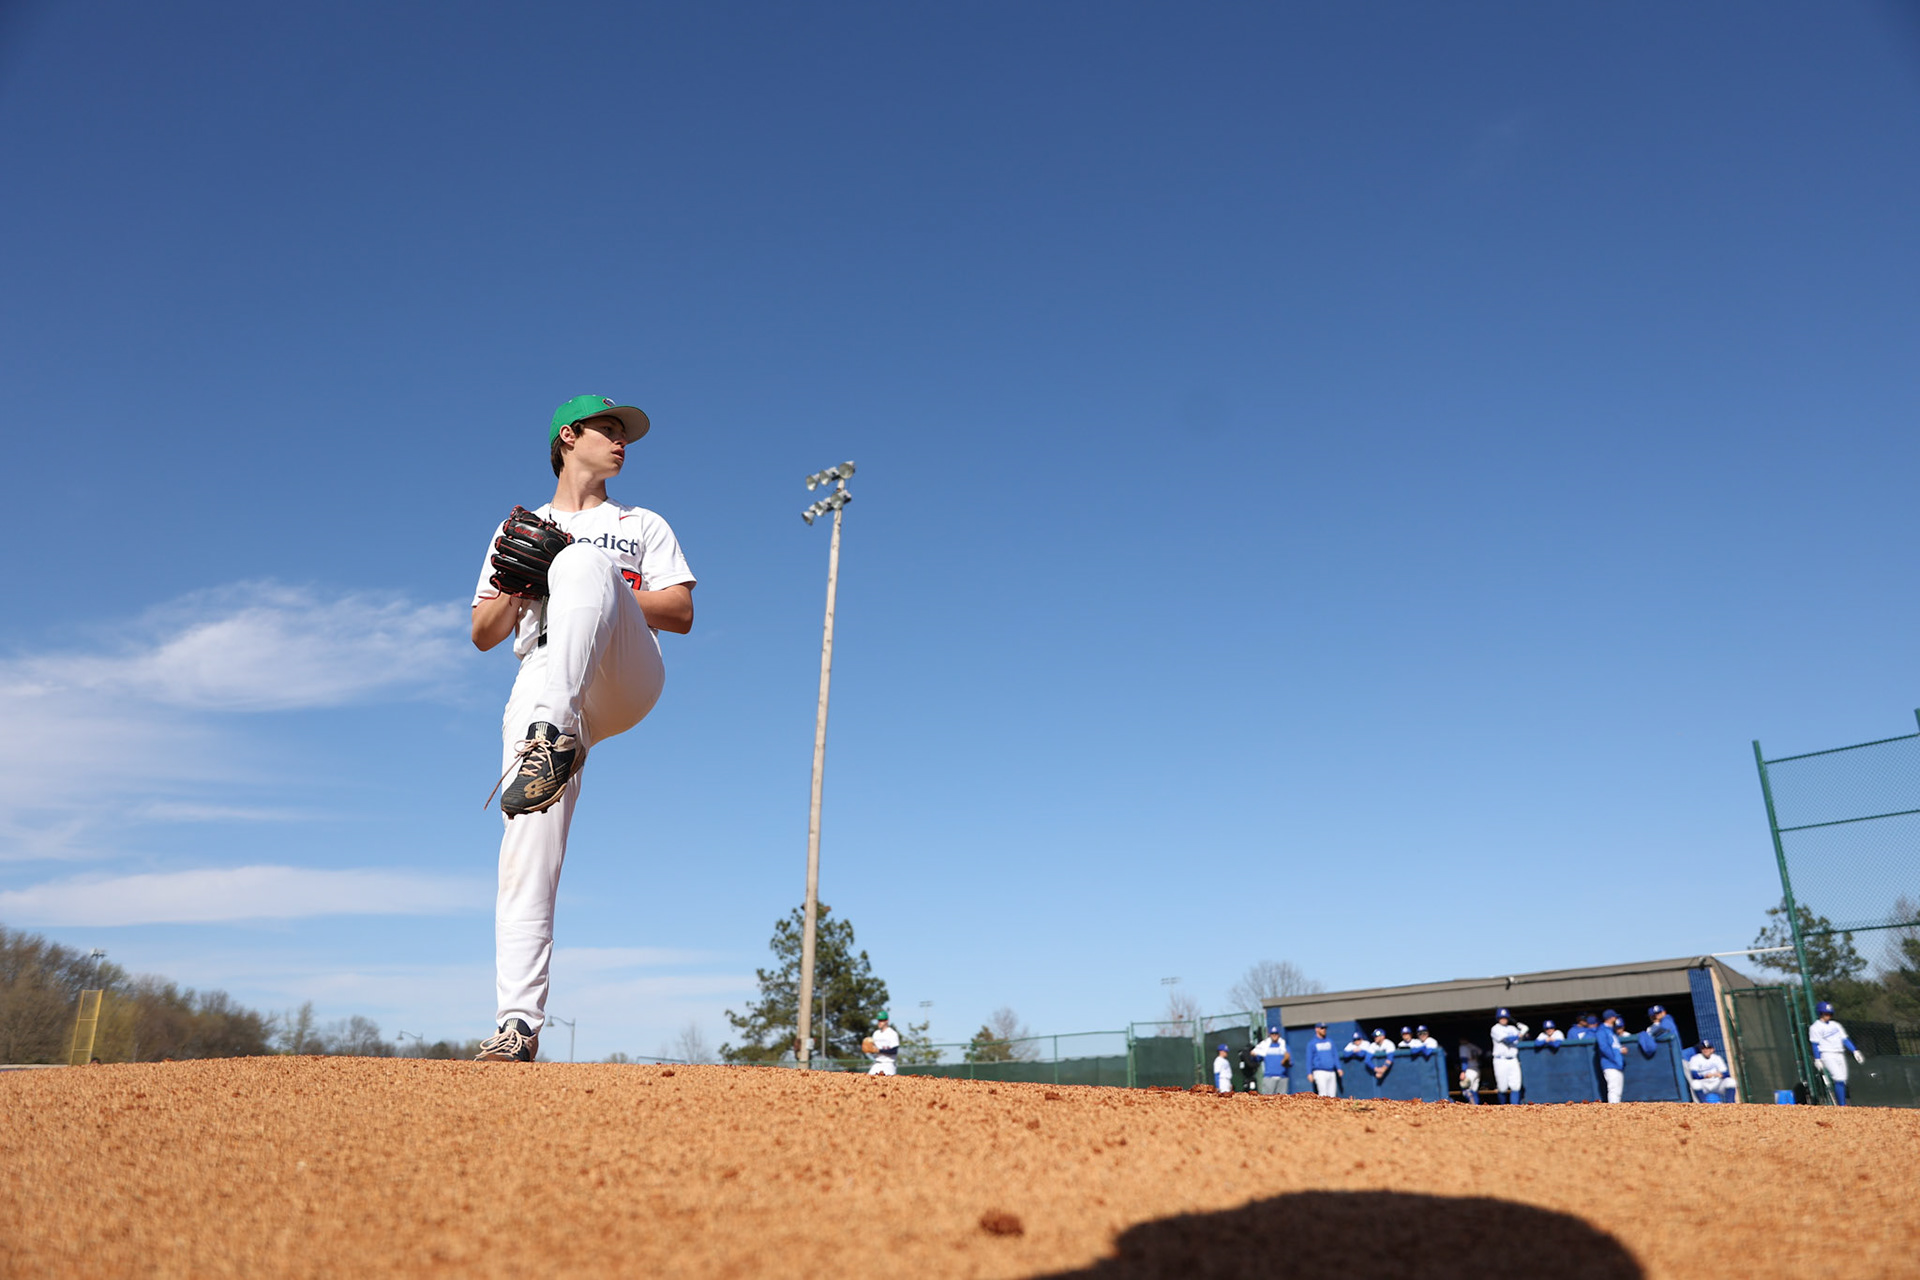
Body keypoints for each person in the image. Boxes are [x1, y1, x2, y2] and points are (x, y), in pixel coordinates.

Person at [470, 395, 697, 1063]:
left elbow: (680, 611)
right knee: (524, 852)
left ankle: (554, 733)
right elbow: (483, 634)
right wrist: (516, 583)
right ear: (568, 437)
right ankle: (516, 1024)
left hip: (623, 672)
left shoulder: (640, 522)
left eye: (624, 432)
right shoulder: (520, 524)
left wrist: (582, 569)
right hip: (541, 679)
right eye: (608, 428)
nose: (622, 440)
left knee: (582, 562)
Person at [1808, 1001, 1865, 1106]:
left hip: (1839, 1053)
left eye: (1830, 1014)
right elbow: (1815, 1044)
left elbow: (1844, 1039)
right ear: (1820, 1013)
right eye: (1825, 1014)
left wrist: (1855, 1051)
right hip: (1827, 1054)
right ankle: (1842, 1105)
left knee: (1843, 1080)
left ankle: (1842, 1103)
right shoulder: (1815, 1027)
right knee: (1839, 1078)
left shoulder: (1836, 1025)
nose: (1828, 1016)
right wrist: (1817, 1059)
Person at [1490, 1008, 1528, 1104]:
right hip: (1500, 1060)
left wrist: (1524, 1032)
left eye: (1505, 1017)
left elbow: (1524, 1039)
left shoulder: (1512, 1028)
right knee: (1502, 1087)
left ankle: (1514, 1108)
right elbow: (1507, 1040)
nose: (1503, 1019)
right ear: (1498, 1018)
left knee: (1516, 1086)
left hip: (1513, 1059)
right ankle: (1503, 1108)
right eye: (1501, 1017)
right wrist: (1521, 1033)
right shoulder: (1495, 1028)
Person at [1597, 1009, 1626, 1103]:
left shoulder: (1612, 1031)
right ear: (1611, 1018)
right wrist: (1614, 1058)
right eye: (1614, 1017)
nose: (1615, 1019)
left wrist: (1620, 1051)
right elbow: (1604, 1048)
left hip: (1617, 1063)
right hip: (1610, 1063)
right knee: (1614, 1089)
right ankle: (1613, 1112)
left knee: (1618, 1090)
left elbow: (1615, 1046)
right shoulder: (1602, 1030)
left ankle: (1616, 1112)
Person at [1252, 1029, 1292, 1095]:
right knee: (1268, 1099)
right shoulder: (1265, 1046)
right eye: (1272, 1034)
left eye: (1276, 1033)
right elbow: (1257, 1058)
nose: (1274, 1035)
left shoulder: (1284, 1047)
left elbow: (1290, 1063)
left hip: (1282, 1077)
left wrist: (1286, 1061)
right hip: (1269, 1077)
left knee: (1283, 1100)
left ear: (1279, 1035)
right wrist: (1253, 1055)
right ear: (1270, 1035)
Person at [1306, 1023, 1341, 1097]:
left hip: (1331, 1071)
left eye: (1325, 1028)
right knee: (1323, 1095)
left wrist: (1339, 1068)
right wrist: (1309, 1073)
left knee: (1333, 1096)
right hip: (1319, 1072)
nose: (1324, 1030)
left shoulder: (1330, 1041)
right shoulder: (1312, 1043)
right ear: (1317, 1029)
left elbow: (1335, 1055)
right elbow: (1309, 1059)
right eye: (1322, 1028)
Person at [867, 1011, 901, 1077]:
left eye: (882, 1020)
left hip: (889, 1064)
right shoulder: (876, 1033)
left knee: (887, 1083)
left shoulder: (892, 1033)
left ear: (887, 1021)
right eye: (879, 1020)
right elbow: (873, 1049)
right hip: (877, 1063)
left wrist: (879, 1051)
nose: (880, 1022)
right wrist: (870, 1050)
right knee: (867, 1080)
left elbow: (894, 1051)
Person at [1457, 1038, 1483, 1104]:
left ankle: (1473, 1105)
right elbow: (1480, 1052)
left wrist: (1463, 1071)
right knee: (1474, 1090)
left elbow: (1464, 1060)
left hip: (1469, 1070)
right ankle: (1476, 1106)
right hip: (1476, 1069)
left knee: (1466, 1090)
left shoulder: (1463, 1047)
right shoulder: (1473, 1046)